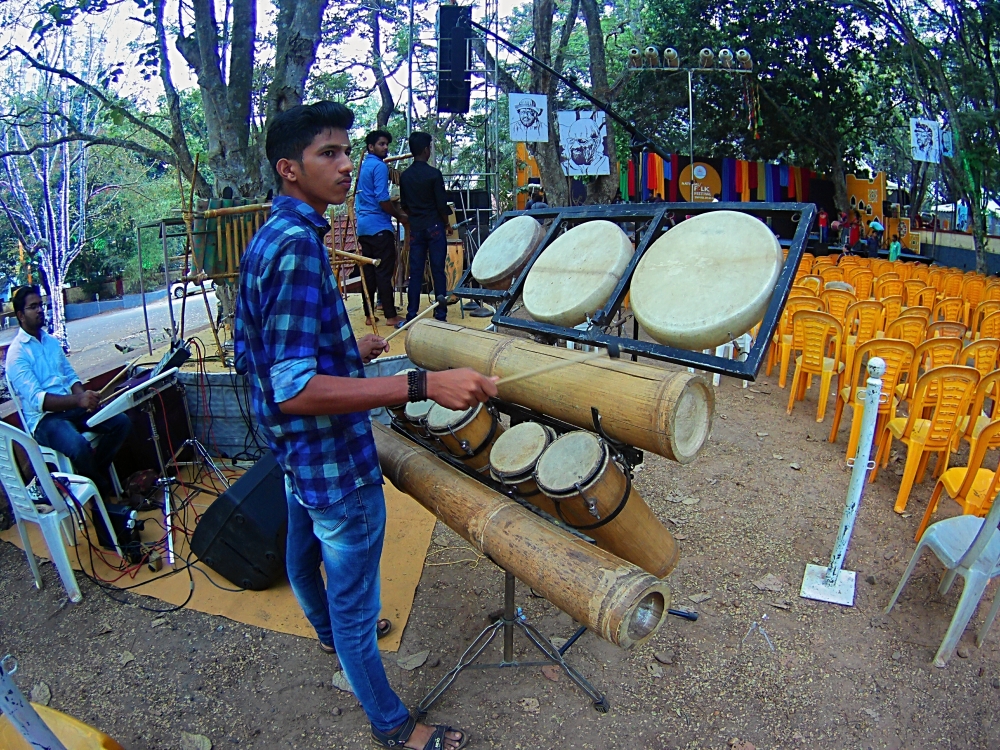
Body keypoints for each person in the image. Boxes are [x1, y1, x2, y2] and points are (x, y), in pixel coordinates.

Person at [236, 101, 495, 750]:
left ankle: (327, 633)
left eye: (347, 150)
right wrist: (423, 383)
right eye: (330, 153)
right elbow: (294, 389)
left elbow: (268, 360)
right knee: (358, 611)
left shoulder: (273, 237)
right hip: (332, 462)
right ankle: (395, 727)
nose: (347, 163)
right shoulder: (297, 250)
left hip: (297, 462)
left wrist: (349, 353)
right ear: (289, 168)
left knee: (302, 555)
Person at [5, 286, 132, 516]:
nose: (40, 311)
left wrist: (86, 397)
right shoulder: (17, 355)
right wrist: (78, 400)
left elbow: (71, 377)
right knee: (78, 446)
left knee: (120, 422)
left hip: (72, 408)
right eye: (33, 307)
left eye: (40, 305)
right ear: (20, 316)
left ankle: (92, 478)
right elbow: (39, 401)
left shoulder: (51, 342)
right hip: (45, 421)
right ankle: (100, 495)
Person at [355, 130, 406, 328]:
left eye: (386, 144)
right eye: (381, 144)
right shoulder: (379, 166)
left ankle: (369, 315)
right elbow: (382, 198)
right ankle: (391, 315)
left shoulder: (363, 165)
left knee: (368, 272)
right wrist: (398, 214)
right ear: (371, 147)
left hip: (364, 228)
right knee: (384, 272)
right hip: (379, 226)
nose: (385, 148)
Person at [399, 131, 452, 323]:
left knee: (415, 272)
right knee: (438, 270)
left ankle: (412, 314)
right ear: (425, 149)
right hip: (435, 225)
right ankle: (440, 314)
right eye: (429, 147)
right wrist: (447, 224)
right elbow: (441, 204)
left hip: (416, 227)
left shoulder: (405, 176)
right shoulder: (434, 174)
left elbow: (404, 204)